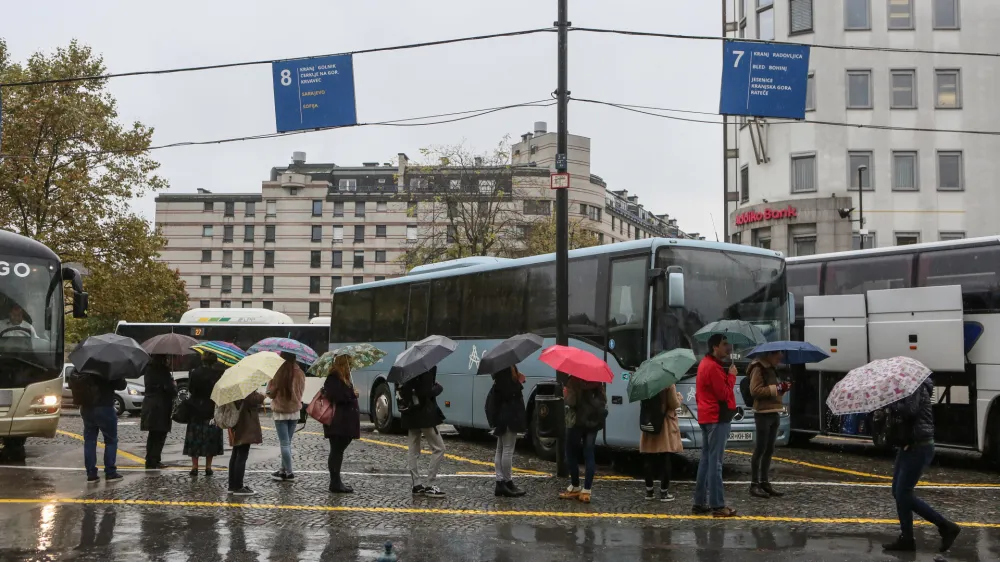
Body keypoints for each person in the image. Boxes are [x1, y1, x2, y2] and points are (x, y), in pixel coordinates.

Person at [882, 377, 961, 553]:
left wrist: (891, 403)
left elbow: (910, 410)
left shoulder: (915, 387)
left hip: (919, 445)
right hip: (908, 443)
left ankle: (945, 526)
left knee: (903, 492)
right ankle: (907, 539)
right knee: (897, 491)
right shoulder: (907, 389)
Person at [693, 334, 738, 518]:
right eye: (724, 344)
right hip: (716, 418)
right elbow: (724, 394)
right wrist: (732, 377)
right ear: (714, 347)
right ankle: (718, 505)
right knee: (715, 464)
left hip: (707, 417)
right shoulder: (712, 367)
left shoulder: (706, 364)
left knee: (706, 461)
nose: (728, 348)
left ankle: (699, 502)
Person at [748, 350, 790, 499]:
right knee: (760, 448)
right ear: (770, 355)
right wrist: (777, 389)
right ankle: (754, 484)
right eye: (778, 355)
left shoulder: (772, 369)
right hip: (763, 413)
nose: (780, 357)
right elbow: (755, 390)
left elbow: (774, 391)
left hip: (774, 411)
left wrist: (783, 389)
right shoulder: (758, 368)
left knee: (769, 449)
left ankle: (764, 481)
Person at [399, 366, 446, 498]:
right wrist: (438, 388)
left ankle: (417, 484)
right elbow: (426, 392)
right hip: (424, 415)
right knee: (439, 448)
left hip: (410, 414)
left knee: (413, 449)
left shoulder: (407, 368)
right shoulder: (426, 369)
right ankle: (430, 484)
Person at [558, 377, 607, 504]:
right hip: (593, 423)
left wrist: (565, 395)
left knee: (570, 452)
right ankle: (586, 491)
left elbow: (572, 402)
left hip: (577, 423)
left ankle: (575, 486)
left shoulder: (573, 381)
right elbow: (603, 401)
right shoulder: (598, 382)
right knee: (589, 454)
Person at [75, 370, 127, 483]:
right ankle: (110, 472)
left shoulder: (83, 365)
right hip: (104, 406)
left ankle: (91, 474)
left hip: (87, 406)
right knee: (111, 440)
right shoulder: (108, 366)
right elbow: (121, 385)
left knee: (89, 440)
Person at [323, 354, 361, 493]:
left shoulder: (342, 378)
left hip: (343, 422)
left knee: (338, 451)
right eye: (349, 364)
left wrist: (351, 392)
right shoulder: (334, 378)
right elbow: (336, 396)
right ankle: (335, 482)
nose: (351, 367)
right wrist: (352, 394)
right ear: (343, 364)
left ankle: (336, 481)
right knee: (336, 451)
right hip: (338, 422)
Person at [639, 384, 684, 502]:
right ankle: (664, 493)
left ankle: (649, 492)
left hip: (650, 422)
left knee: (648, 456)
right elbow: (673, 404)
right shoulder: (668, 383)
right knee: (665, 457)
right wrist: (679, 397)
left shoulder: (645, 382)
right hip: (664, 424)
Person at [266, 351, 306, 482]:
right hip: (294, 411)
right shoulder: (300, 373)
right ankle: (282, 470)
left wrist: (269, 385)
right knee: (287, 443)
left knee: (284, 444)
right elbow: (301, 392)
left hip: (281, 411)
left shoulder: (279, 373)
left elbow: (271, 394)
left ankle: (289, 473)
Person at [488, 365, 527, 498]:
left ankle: (501, 482)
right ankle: (506, 481)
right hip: (509, 416)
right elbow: (510, 393)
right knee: (508, 450)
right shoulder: (504, 371)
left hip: (503, 416)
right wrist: (519, 382)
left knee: (501, 449)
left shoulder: (499, 372)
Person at [183, 352, 224, 476]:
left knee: (195, 439)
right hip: (211, 410)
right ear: (214, 361)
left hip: (196, 409)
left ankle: (194, 467)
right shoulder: (217, 374)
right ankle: (208, 467)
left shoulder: (195, 372)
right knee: (210, 439)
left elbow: (190, 389)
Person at [140, 355, 177, 470]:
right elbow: (170, 390)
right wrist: (173, 384)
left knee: (152, 435)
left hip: (149, 404)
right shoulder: (163, 371)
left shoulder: (148, 370)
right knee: (160, 435)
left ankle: (150, 460)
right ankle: (155, 460)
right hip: (161, 406)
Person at [228, 390, 266, 496]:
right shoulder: (245, 386)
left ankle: (232, 485)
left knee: (236, 454)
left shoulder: (234, 385)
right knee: (241, 455)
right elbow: (252, 399)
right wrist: (262, 396)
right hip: (245, 423)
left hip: (237, 422)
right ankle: (238, 486)